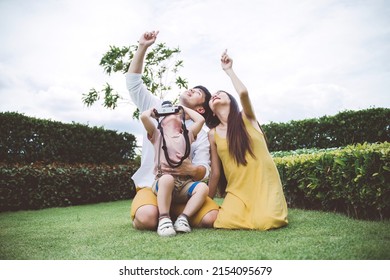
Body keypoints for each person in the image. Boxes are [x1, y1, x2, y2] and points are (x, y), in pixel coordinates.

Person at [127, 30, 219, 231]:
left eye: (198, 93)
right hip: (154, 185)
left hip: (184, 189)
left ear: (201, 109)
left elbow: (204, 168)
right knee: (147, 218)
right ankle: (161, 213)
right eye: (192, 88)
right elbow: (133, 85)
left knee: (212, 217)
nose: (191, 89)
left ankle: (180, 216)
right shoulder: (157, 108)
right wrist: (142, 47)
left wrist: (191, 170)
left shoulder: (199, 133)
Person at [207, 50, 288, 230]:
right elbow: (215, 173)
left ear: (231, 100)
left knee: (267, 222)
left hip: (264, 186)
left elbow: (243, 92)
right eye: (212, 96)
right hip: (237, 191)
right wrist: (206, 203)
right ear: (211, 110)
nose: (215, 95)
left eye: (220, 92)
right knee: (222, 222)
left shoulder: (247, 117)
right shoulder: (212, 134)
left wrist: (229, 70)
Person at [140, 105, 209, 236]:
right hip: (163, 182)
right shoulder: (157, 134)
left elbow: (200, 120)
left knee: (203, 188)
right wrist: (154, 113)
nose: (171, 115)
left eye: (175, 114)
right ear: (161, 123)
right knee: (167, 179)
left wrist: (183, 109)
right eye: (166, 115)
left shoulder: (187, 134)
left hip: (184, 184)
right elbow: (144, 117)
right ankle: (164, 218)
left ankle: (183, 218)